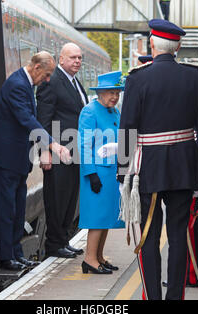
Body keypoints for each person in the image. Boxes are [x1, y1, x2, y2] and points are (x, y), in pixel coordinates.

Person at [117, 19, 198, 300]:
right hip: (184, 167)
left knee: (147, 235)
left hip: (147, 168)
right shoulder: (195, 77)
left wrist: (123, 173)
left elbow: (127, 128)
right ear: (178, 46)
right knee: (178, 235)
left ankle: (152, 296)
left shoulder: (136, 79)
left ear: (151, 44)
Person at [0, 51, 71, 271]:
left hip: (18, 159)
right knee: (7, 210)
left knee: (17, 209)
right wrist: (52, 145)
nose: (48, 79)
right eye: (47, 74)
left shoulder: (25, 83)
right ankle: (6, 257)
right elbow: (27, 119)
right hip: (7, 159)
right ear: (36, 68)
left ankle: (16, 252)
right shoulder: (17, 85)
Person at [36, 43, 89, 259]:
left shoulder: (74, 82)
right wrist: (44, 151)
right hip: (57, 152)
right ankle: (54, 244)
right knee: (57, 199)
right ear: (61, 59)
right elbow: (42, 119)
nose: (77, 61)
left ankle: (64, 240)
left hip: (73, 152)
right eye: (73, 57)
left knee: (69, 199)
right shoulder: (52, 81)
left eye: (80, 58)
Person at [78, 71, 125, 275]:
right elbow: (84, 144)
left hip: (111, 172)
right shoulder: (90, 111)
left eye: (117, 92)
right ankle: (89, 259)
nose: (114, 96)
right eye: (110, 92)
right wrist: (91, 173)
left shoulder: (114, 112)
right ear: (100, 92)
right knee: (97, 218)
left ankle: (99, 257)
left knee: (106, 217)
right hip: (97, 173)